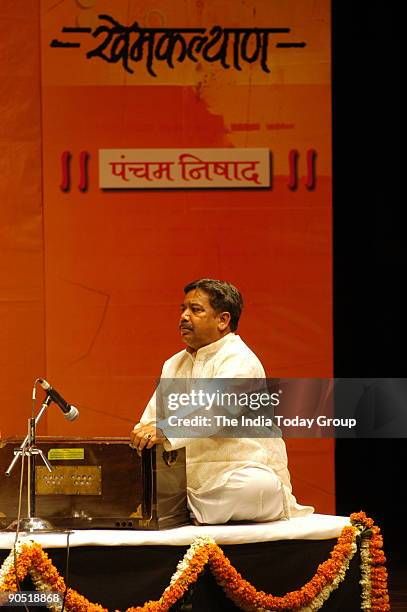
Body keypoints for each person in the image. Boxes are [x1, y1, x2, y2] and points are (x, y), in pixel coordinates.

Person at [130, 278, 313, 524]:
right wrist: (142, 435)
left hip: (239, 472)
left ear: (223, 320)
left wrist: (164, 430)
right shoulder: (174, 364)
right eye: (183, 309)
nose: (184, 316)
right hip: (189, 483)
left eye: (195, 310)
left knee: (255, 487)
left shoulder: (240, 360)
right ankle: (184, 505)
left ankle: (184, 508)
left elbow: (214, 411)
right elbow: (152, 419)